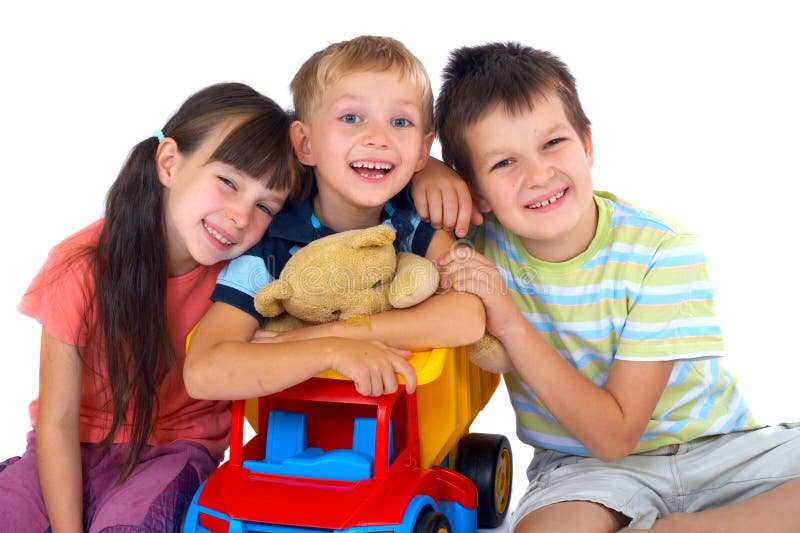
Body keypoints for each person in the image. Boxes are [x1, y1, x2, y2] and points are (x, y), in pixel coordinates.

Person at [429, 42, 800, 532]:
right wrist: (428, 173)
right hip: (583, 470)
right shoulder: (475, 247)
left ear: (586, 144)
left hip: (723, 453)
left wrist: (507, 317)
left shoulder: (662, 252)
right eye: (504, 163)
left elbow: (615, 434)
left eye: (553, 143)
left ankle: (688, 527)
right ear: (474, 190)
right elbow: (363, 194)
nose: (539, 175)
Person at [0, 82, 313, 532]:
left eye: (265, 205)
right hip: (69, 447)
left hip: (174, 450)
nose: (241, 217)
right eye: (227, 182)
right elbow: (58, 421)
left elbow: (349, 190)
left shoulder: (246, 279)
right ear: (169, 163)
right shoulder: (80, 266)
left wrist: (430, 173)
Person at [184, 35, 485, 402]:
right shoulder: (274, 241)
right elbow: (203, 372)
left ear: (423, 151)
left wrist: (333, 334)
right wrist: (330, 352)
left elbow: (468, 314)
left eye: (400, 121)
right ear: (306, 144)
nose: (378, 138)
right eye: (351, 117)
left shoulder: (411, 222)